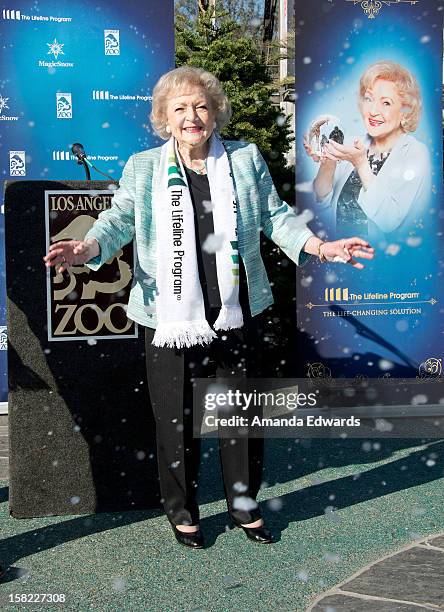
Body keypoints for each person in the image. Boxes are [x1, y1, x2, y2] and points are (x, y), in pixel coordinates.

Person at [43, 66, 374, 549]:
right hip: (167, 317)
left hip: (236, 309)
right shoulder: (144, 167)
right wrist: (87, 248)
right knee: (174, 419)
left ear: (215, 111)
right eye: (179, 109)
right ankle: (182, 511)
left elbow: (275, 217)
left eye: (200, 106)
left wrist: (321, 248)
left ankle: (243, 503)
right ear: (164, 118)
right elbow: (117, 222)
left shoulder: (244, 159)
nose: (191, 117)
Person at [303, 60, 431, 242]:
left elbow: (389, 220)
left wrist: (361, 164)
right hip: (339, 255)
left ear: (405, 111)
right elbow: (321, 199)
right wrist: (328, 160)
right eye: (369, 99)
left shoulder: (415, 153)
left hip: (382, 264)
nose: (373, 111)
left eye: (386, 103)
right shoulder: (352, 143)